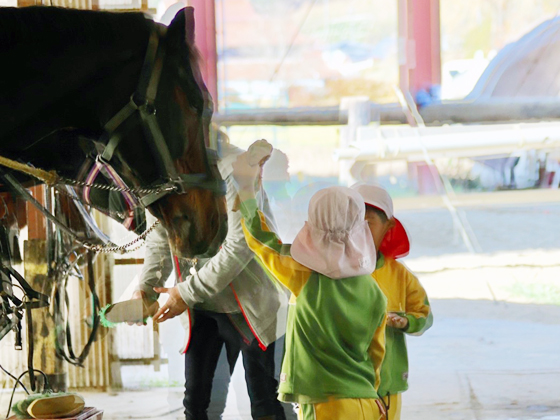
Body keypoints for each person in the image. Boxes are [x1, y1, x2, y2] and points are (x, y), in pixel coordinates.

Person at [133, 135, 289, 420]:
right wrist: (146, 288)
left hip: (253, 307)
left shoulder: (235, 168)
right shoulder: (161, 171)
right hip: (204, 310)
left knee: (267, 402)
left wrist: (184, 293)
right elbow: (161, 234)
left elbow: (240, 246)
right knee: (198, 405)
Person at [230, 140, 388, 420]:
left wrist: (247, 188)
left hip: (325, 404)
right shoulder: (375, 291)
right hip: (365, 402)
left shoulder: (302, 275)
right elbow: (377, 356)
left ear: (313, 221)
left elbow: (259, 238)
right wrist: (369, 392)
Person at [352, 183, 433, 420]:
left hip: (387, 380)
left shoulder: (399, 274)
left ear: (388, 227)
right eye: (353, 222)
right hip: (346, 381)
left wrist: (405, 322)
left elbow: (423, 313)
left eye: (369, 223)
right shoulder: (332, 272)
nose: (361, 230)